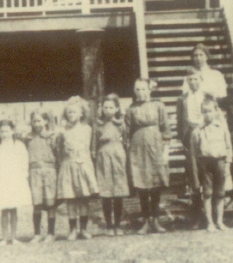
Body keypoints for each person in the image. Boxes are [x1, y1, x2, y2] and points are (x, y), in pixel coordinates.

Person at [125, 78, 172, 234]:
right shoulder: (131, 108)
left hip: (156, 146)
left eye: (144, 89)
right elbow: (127, 131)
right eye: (137, 89)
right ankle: (146, 221)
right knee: (143, 185)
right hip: (138, 148)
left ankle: (156, 221)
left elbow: (166, 129)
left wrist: (165, 151)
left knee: (155, 184)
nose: (141, 92)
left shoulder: (159, 105)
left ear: (149, 90)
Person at [56, 97, 99, 240]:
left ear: (81, 113)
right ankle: (73, 229)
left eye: (74, 112)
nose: (71, 114)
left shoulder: (87, 129)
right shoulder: (62, 132)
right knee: (71, 199)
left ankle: (84, 229)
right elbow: (59, 150)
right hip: (69, 165)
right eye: (68, 112)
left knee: (84, 198)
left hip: (84, 165)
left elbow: (92, 148)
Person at [190, 97, 233, 231]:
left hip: (220, 162)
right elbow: (194, 153)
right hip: (205, 163)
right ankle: (210, 222)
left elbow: (228, 147)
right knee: (207, 193)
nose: (207, 114)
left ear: (216, 112)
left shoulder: (222, 128)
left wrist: (227, 165)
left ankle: (219, 221)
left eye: (210, 111)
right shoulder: (197, 131)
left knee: (220, 193)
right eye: (204, 112)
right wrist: (196, 172)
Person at [177, 67, 211, 228]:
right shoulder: (183, 99)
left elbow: (214, 116)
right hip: (190, 137)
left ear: (201, 80)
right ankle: (197, 215)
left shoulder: (208, 97)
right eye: (190, 79)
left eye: (196, 79)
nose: (193, 82)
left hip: (207, 136)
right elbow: (179, 122)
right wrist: (183, 140)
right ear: (187, 81)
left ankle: (210, 215)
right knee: (194, 176)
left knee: (207, 173)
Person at [0, 120, 31, 245]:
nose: (5, 134)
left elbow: (24, 161)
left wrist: (24, 175)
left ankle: (13, 237)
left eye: (7, 131)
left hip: (15, 179)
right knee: (3, 210)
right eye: (2, 131)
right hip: (2, 179)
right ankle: (4, 237)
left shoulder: (19, 145)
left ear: (12, 131)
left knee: (13, 209)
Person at [94, 94, 129, 236]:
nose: (108, 110)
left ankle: (118, 225)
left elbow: (124, 138)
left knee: (118, 190)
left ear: (116, 108)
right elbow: (94, 141)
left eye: (111, 107)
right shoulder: (98, 124)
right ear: (101, 109)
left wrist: (119, 142)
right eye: (105, 107)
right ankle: (109, 225)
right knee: (106, 191)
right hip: (103, 155)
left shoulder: (121, 123)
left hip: (118, 154)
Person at [25, 111, 58, 243]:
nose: (37, 124)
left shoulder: (52, 136)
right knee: (37, 203)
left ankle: (51, 233)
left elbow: (58, 154)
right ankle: (37, 234)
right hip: (34, 172)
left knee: (50, 203)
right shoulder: (28, 138)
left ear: (46, 122)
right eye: (34, 121)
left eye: (39, 121)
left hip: (50, 171)